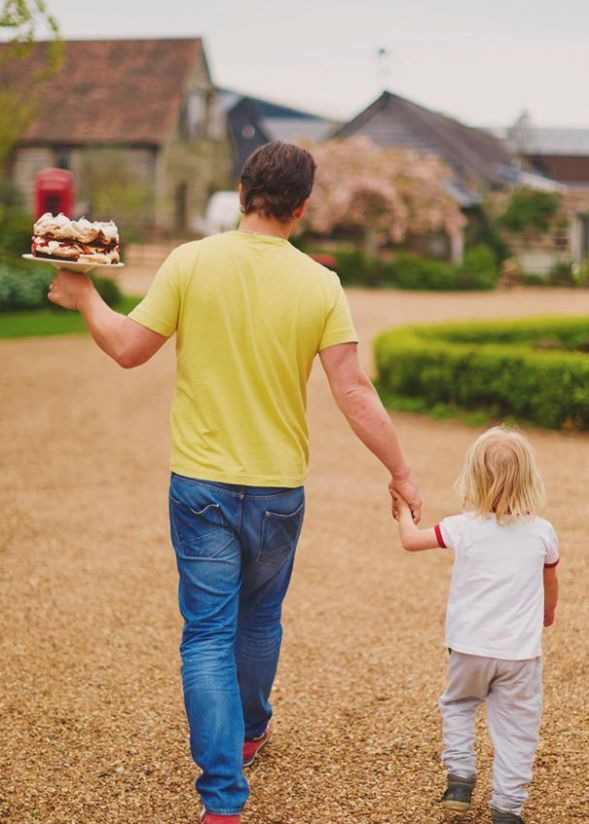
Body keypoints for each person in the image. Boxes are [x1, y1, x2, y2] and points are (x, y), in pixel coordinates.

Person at [47, 141, 422, 823]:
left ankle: (222, 799)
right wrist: (399, 471)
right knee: (259, 617)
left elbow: (129, 349)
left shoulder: (192, 261)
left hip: (202, 486)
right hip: (279, 489)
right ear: (302, 208)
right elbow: (353, 391)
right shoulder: (319, 283)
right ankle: (249, 731)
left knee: (207, 634)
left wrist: (83, 297)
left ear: (243, 189)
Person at [392, 425, 559, 824]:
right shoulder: (542, 533)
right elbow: (550, 580)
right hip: (520, 654)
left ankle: (461, 780)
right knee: (518, 728)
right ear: (529, 478)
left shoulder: (462, 526)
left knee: (459, 705)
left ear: (474, 478)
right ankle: (507, 807)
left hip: (468, 648)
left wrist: (402, 510)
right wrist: (548, 613)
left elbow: (411, 541)